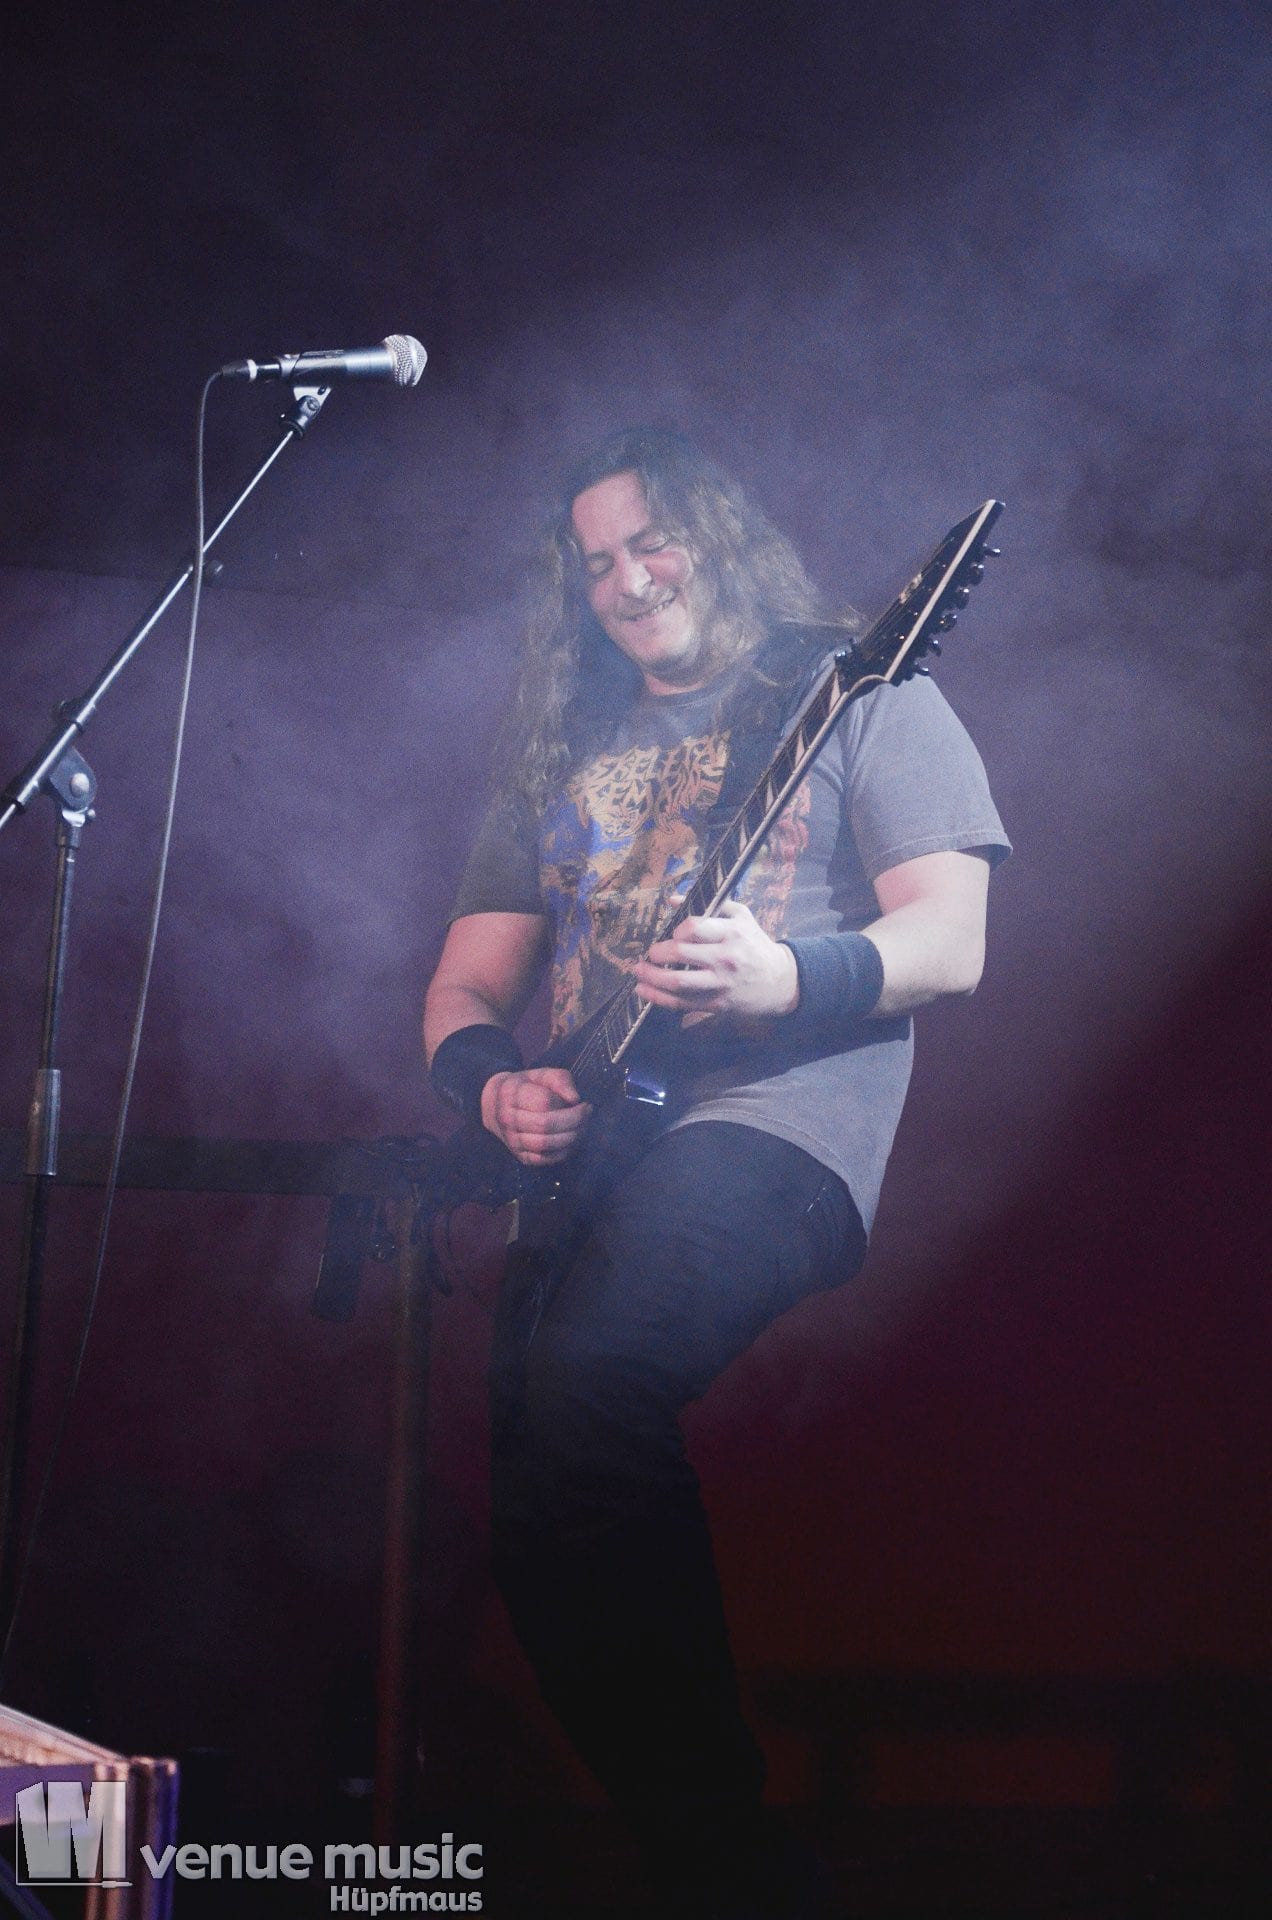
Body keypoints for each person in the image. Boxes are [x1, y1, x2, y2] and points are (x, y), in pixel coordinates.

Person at [423, 428, 1009, 1917]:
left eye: (652, 542)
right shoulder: (559, 746)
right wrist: (494, 1085)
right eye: (597, 563)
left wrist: (785, 974)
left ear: (717, 538)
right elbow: (465, 985)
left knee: (597, 1387)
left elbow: (952, 939)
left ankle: (741, 1867)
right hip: (595, 1151)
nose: (628, 581)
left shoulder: (858, 686)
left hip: (777, 1124)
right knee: (537, 1523)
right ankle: (711, 1861)